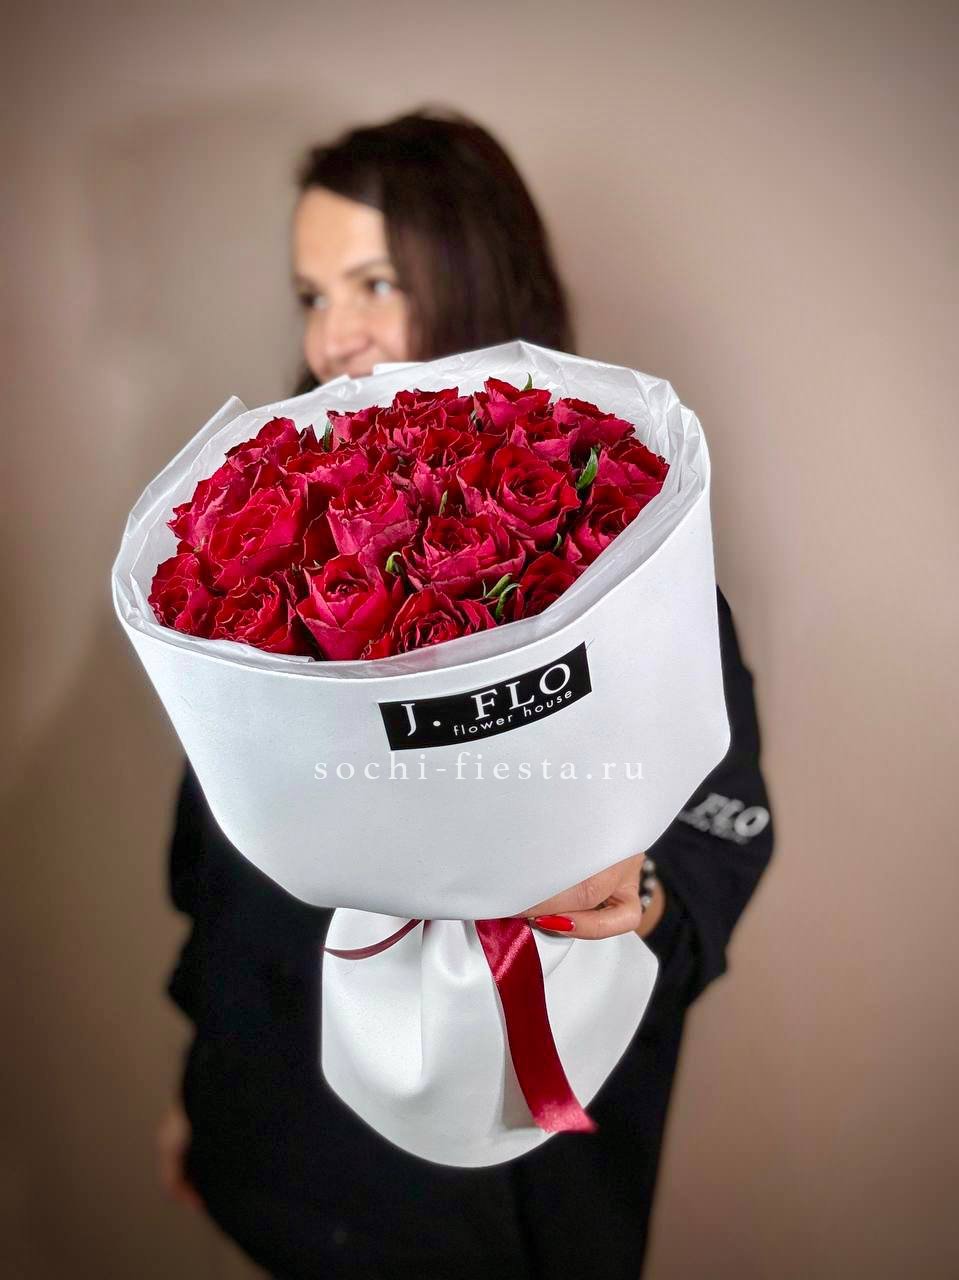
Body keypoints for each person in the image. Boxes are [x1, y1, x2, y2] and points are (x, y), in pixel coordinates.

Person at [156, 107, 775, 1280]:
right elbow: (216, 857)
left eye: (375, 283)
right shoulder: (275, 561)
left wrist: (631, 890)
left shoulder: (627, 581)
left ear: (477, 276)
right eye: (310, 294)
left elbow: (714, 836)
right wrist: (199, 1083)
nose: (333, 335)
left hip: (480, 1208)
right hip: (268, 1136)